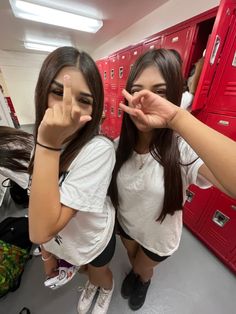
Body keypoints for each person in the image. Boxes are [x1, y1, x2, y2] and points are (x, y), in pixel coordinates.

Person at [108, 48, 236, 311]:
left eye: (160, 92)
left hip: (158, 239)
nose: (145, 100)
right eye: (138, 90)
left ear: (174, 97)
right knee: (133, 260)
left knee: (143, 268)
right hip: (126, 226)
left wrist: (177, 118)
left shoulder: (182, 149)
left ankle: (143, 281)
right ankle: (136, 275)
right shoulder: (117, 146)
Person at [28, 46, 116, 314]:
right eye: (58, 93)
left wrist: (48, 144)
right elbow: (38, 202)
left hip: (94, 240)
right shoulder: (40, 143)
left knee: (98, 273)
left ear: (96, 107)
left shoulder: (98, 149)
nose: (71, 109)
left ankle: (104, 288)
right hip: (64, 245)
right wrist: (47, 254)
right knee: (83, 273)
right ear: (42, 92)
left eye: (84, 100)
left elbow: (41, 230)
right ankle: (91, 283)